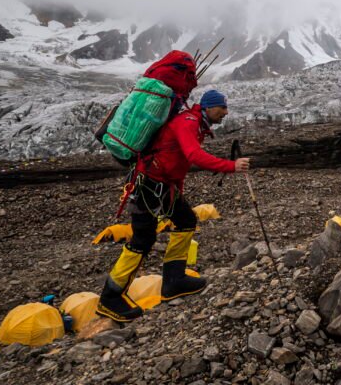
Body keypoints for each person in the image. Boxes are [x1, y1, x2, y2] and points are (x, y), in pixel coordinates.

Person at [96, 89, 250, 322]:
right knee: (142, 240)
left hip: (164, 187)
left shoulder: (196, 124)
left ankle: (174, 281)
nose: (226, 112)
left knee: (186, 220)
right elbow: (193, 155)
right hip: (148, 185)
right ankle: (110, 297)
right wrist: (231, 165)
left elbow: (176, 160)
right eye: (222, 107)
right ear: (208, 107)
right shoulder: (188, 122)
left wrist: (178, 190)